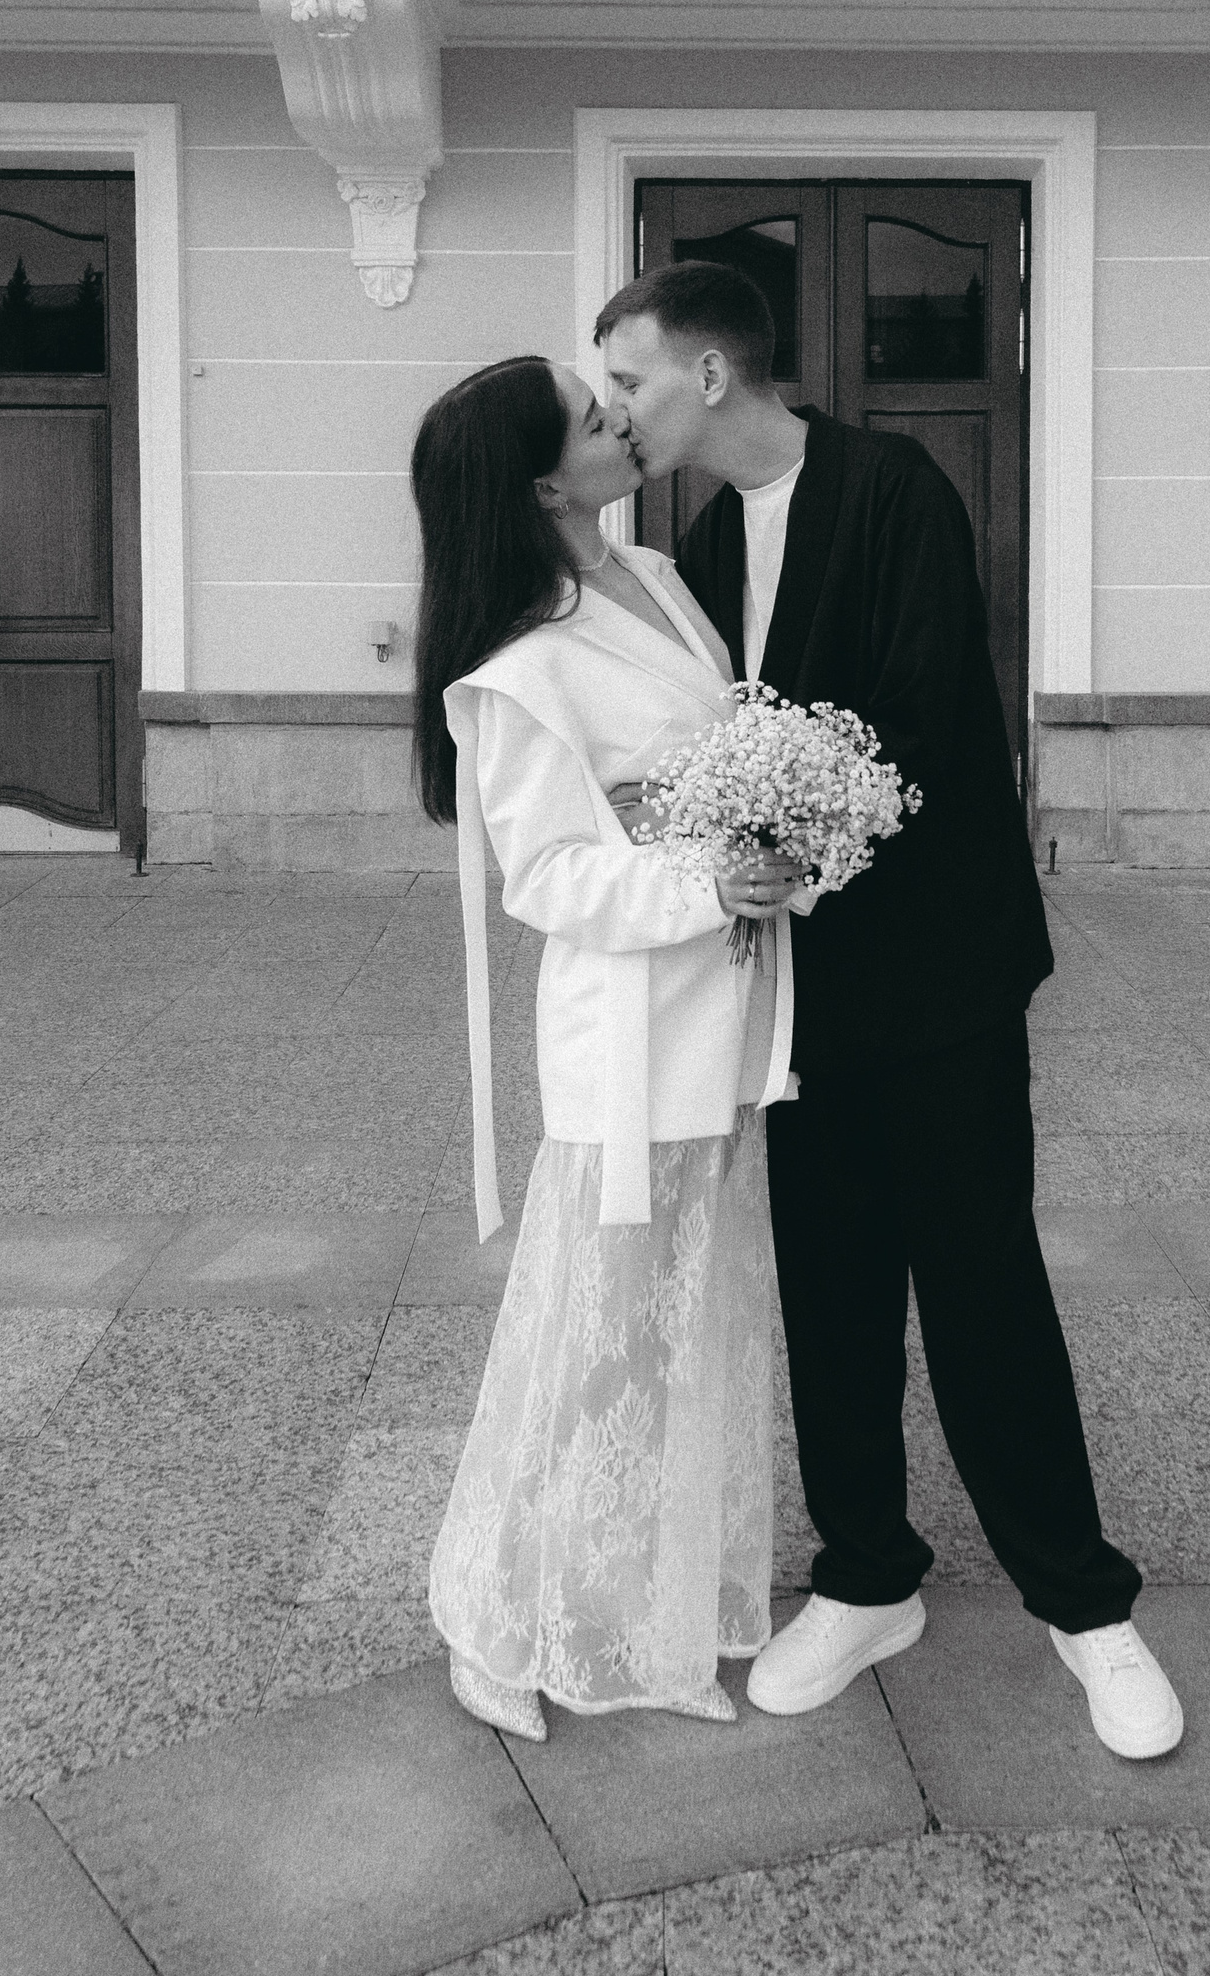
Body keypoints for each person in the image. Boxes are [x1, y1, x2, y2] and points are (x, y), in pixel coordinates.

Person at [598, 263, 1184, 1762]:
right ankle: (866, 1578)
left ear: (711, 374)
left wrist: (772, 832)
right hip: (797, 994)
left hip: (941, 975)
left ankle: (1085, 1601)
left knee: (982, 1279)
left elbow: (920, 724)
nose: (618, 412)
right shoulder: (702, 543)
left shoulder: (893, 487)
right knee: (832, 1285)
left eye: (631, 382)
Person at [412, 353, 802, 1741]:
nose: (621, 419)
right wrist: (709, 879)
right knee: (592, 1340)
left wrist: (773, 839)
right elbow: (548, 876)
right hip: (627, 1033)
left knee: (689, 1326)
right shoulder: (523, 665)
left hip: (724, 1003)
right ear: (540, 484)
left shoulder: (662, 578)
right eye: (593, 417)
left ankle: (656, 1609)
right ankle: (497, 1616)